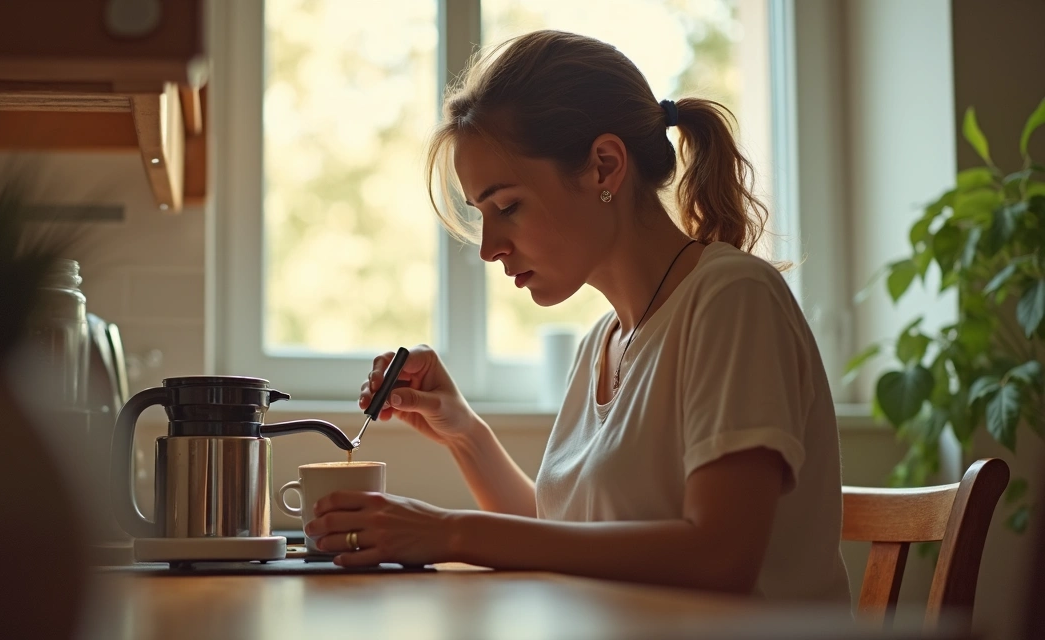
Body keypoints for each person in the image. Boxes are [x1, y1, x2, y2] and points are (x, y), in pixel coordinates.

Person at [305, 29, 851, 602]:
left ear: (604, 167)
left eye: (508, 206)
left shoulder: (733, 299)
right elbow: (560, 537)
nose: (490, 247)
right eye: (483, 215)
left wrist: (451, 532)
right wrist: (463, 432)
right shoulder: (604, 341)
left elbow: (719, 556)